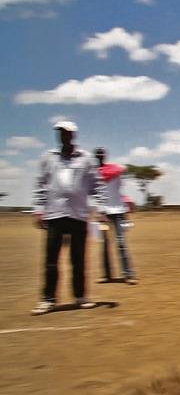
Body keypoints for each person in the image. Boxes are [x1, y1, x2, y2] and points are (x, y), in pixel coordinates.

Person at [31, 121, 106, 315]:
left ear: (73, 135)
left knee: (78, 259)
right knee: (51, 260)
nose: (62, 136)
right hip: (55, 213)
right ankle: (48, 299)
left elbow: (96, 185)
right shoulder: (48, 158)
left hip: (78, 215)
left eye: (66, 133)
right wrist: (39, 209)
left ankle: (80, 297)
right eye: (60, 133)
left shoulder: (86, 159)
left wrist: (101, 208)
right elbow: (41, 185)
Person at [94, 147, 138, 284]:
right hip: (103, 214)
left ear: (105, 155)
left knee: (121, 242)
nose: (100, 155)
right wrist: (99, 211)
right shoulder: (92, 174)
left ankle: (128, 274)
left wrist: (126, 201)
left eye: (102, 153)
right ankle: (107, 275)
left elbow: (119, 189)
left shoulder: (115, 171)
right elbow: (94, 195)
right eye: (98, 154)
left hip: (119, 212)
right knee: (104, 244)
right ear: (95, 156)